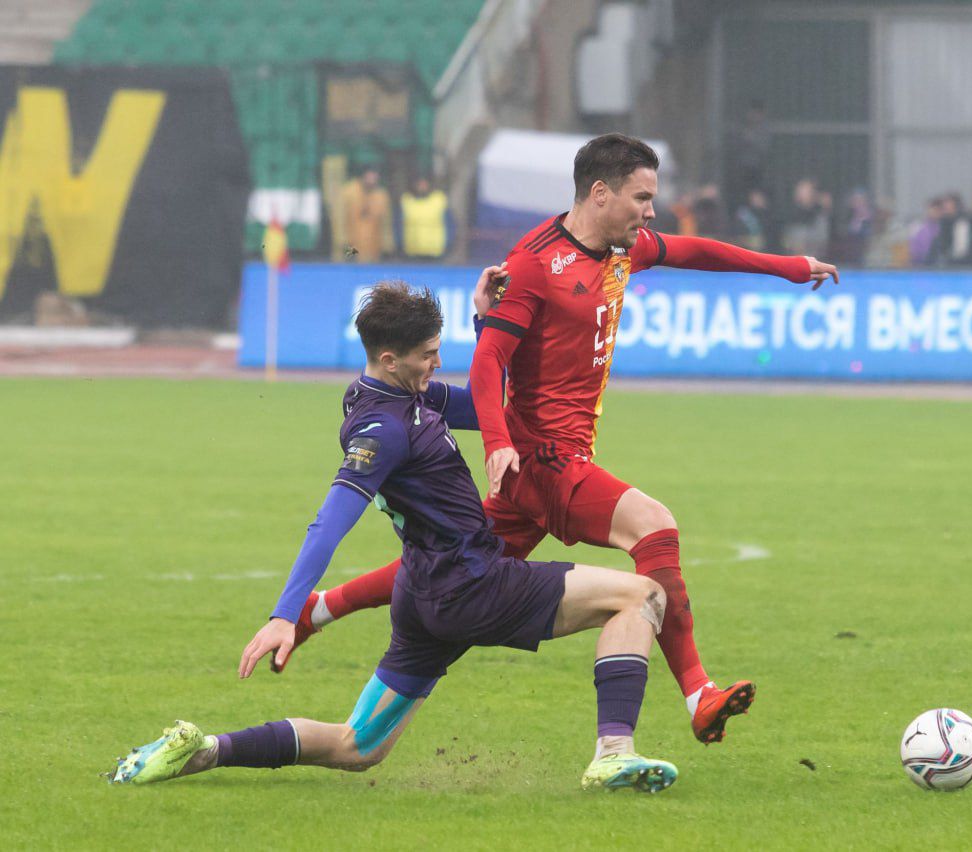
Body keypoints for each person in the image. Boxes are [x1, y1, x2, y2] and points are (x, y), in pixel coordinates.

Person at [287, 133, 839, 747]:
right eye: (642, 197)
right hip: (545, 462)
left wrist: (786, 266)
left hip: (543, 467)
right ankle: (697, 692)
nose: (651, 210)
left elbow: (694, 251)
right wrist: (497, 441)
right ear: (599, 193)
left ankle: (320, 609)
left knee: (462, 559)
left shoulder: (622, 249)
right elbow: (488, 362)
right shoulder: (534, 264)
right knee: (655, 528)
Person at [108, 281, 678, 793]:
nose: (437, 363)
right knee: (642, 596)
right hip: (471, 584)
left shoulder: (400, 395)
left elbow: (491, 405)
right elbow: (329, 522)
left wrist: (487, 322)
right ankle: (612, 754)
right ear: (390, 357)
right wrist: (286, 612)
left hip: (425, 591)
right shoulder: (383, 431)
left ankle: (204, 749)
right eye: (428, 355)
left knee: (359, 747)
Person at [340, 166, 393, 263]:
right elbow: (340, 220)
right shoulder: (349, 192)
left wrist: (387, 246)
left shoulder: (381, 195)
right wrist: (345, 246)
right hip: (351, 245)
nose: (372, 180)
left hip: (374, 248)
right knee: (351, 270)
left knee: (372, 273)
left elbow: (386, 223)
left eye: (375, 177)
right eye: (369, 176)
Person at [399, 175, 453, 260]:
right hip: (412, 252)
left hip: (436, 252)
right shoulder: (406, 200)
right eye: (419, 184)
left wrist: (449, 244)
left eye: (424, 184)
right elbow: (398, 225)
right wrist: (399, 244)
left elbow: (450, 224)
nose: (422, 187)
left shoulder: (439, 200)